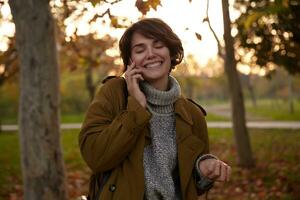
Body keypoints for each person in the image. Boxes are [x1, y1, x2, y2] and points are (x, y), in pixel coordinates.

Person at [79, 18, 231, 200]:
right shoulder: (114, 94)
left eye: (158, 45)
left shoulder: (193, 114)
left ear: (171, 52)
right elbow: (96, 157)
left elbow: (191, 187)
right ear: (130, 60)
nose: (150, 54)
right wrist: (136, 107)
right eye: (140, 49)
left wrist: (203, 171)